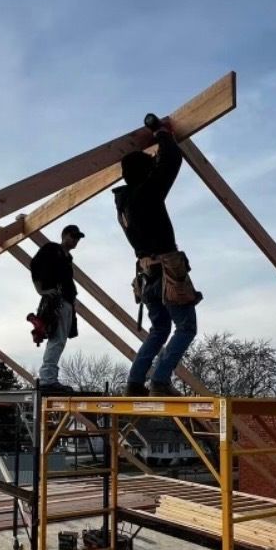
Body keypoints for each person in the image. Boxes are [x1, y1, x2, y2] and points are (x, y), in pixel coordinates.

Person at [114, 116, 199, 397]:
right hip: (166, 274)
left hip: (148, 275)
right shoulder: (145, 195)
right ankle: (160, 382)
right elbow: (171, 161)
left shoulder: (124, 204)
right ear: (143, 172)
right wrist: (163, 134)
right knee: (185, 328)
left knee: (159, 329)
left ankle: (135, 383)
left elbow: (157, 169)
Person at [30, 224, 84, 394]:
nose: (75, 241)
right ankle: (47, 379)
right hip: (58, 301)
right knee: (57, 339)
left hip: (66, 302)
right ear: (65, 235)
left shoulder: (67, 258)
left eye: (77, 238)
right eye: (73, 236)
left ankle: (49, 378)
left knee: (60, 340)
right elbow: (35, 265)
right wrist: (41, 290)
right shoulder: (52, 249)